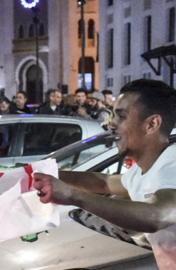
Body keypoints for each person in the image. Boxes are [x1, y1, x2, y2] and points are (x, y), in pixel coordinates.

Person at [33, 79, 176, 270]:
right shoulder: (142, 171)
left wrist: (71, 195)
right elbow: (105, 182)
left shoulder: (172, 163)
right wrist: (39, 172)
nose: (110, 124)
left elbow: (158, 215)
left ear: (152, 124)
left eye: (121, 116)